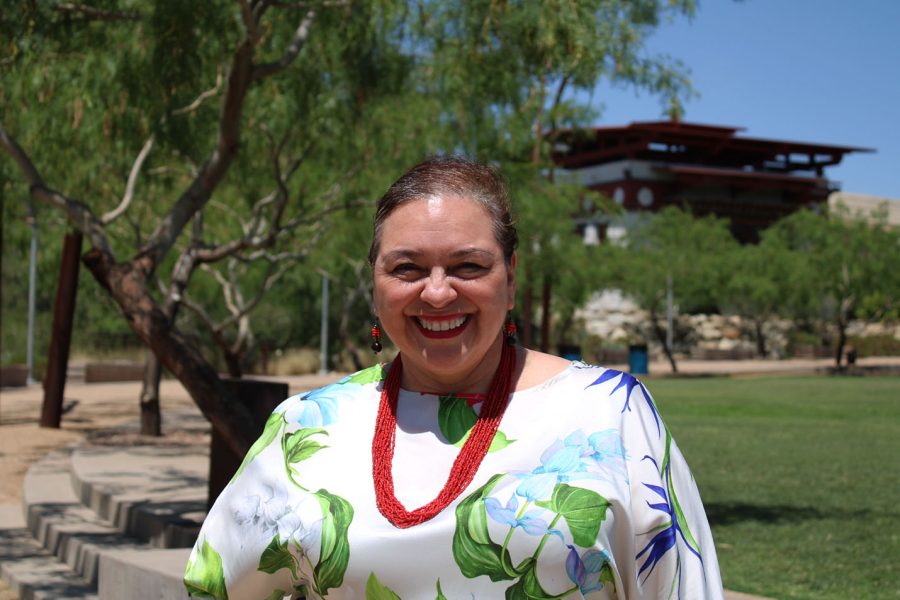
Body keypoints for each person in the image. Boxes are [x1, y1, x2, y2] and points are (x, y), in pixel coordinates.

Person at [184, 156, 724, 599]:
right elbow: (215, 587)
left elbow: (679, 586)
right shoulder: (303, 426)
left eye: (468, 266)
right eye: (407, 268)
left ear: (510, 280)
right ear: (375, 285)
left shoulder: (612, 412)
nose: (437, 292)